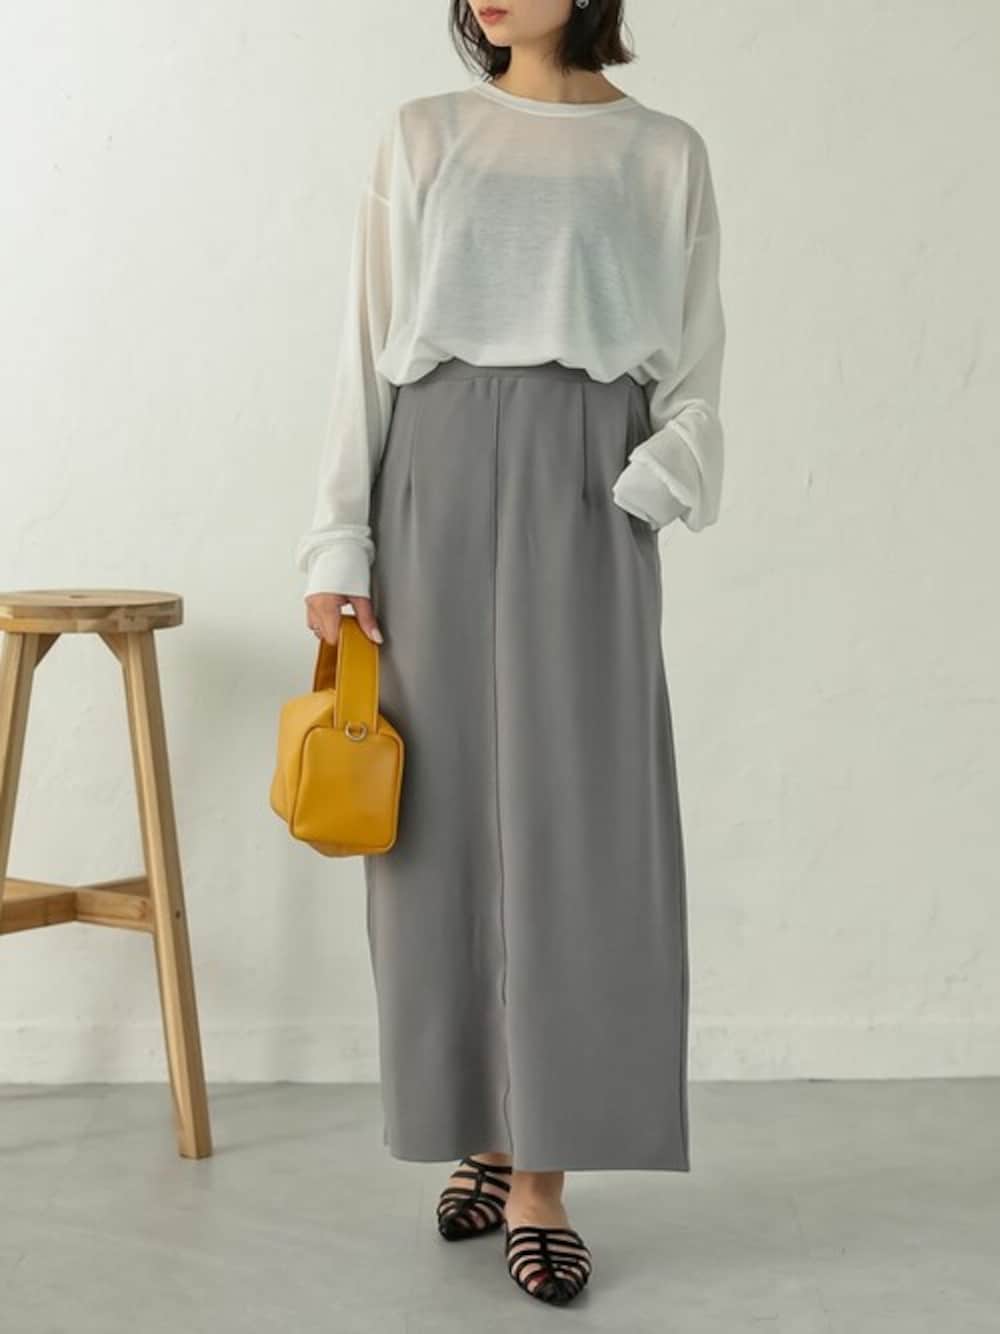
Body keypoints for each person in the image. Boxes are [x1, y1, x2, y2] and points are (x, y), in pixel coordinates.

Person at [295, 0, 726, 1307]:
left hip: (586, 483)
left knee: (580, 825)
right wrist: (338, 542)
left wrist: (653, 482)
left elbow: (697, 356)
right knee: (436, 824)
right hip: (429, 475)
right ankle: (477, 1129)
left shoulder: (662, 150)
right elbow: (364, 343)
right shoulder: (424, 133)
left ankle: (541, 1179)